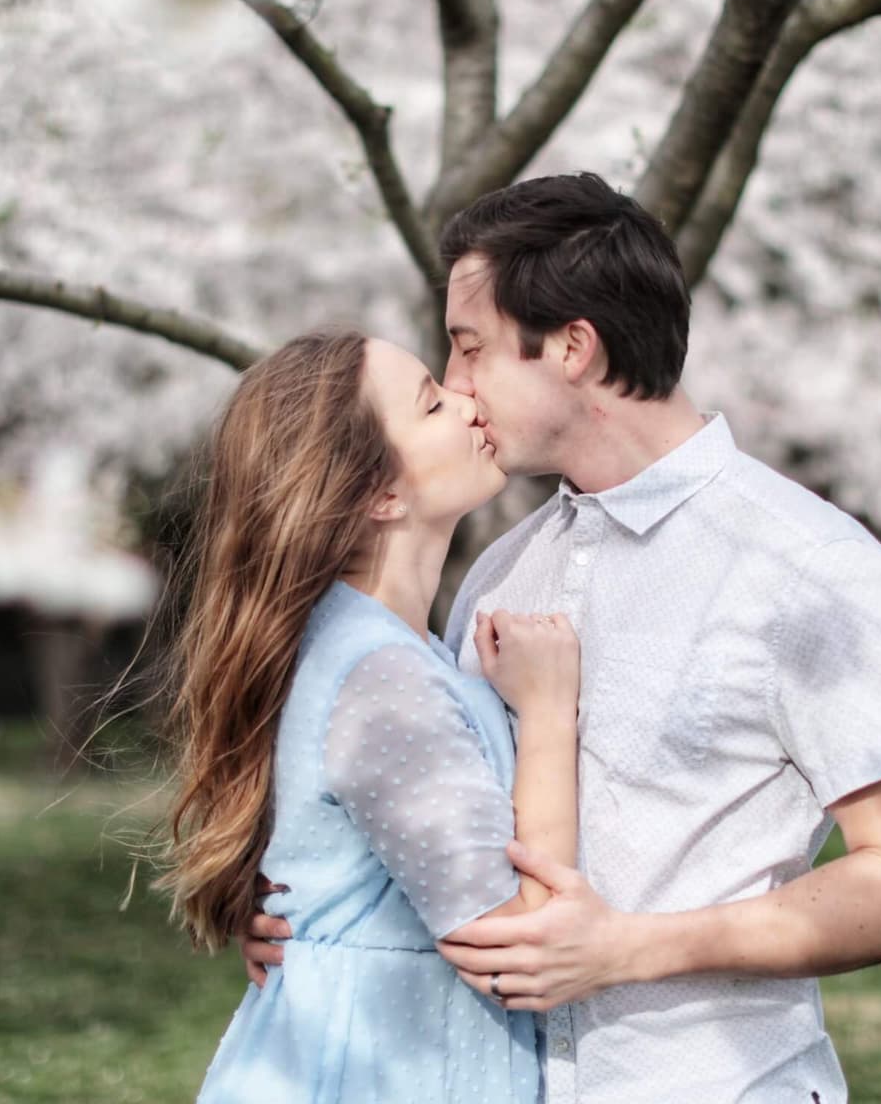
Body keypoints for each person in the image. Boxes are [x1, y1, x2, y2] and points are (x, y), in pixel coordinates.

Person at [243, 173, 881, 1104]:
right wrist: (322, 923)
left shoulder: (813, 571)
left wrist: (629, 949)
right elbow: (450, 833)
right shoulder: (501, 572)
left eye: (470, 350)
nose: (458, 387)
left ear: (574, 348)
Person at [177, 329, 584, 1104]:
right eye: (433, 403)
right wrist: (548, 713)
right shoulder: (380, 675)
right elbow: (519, 952)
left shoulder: (385, 647)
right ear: (381, 493)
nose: (468, 402)